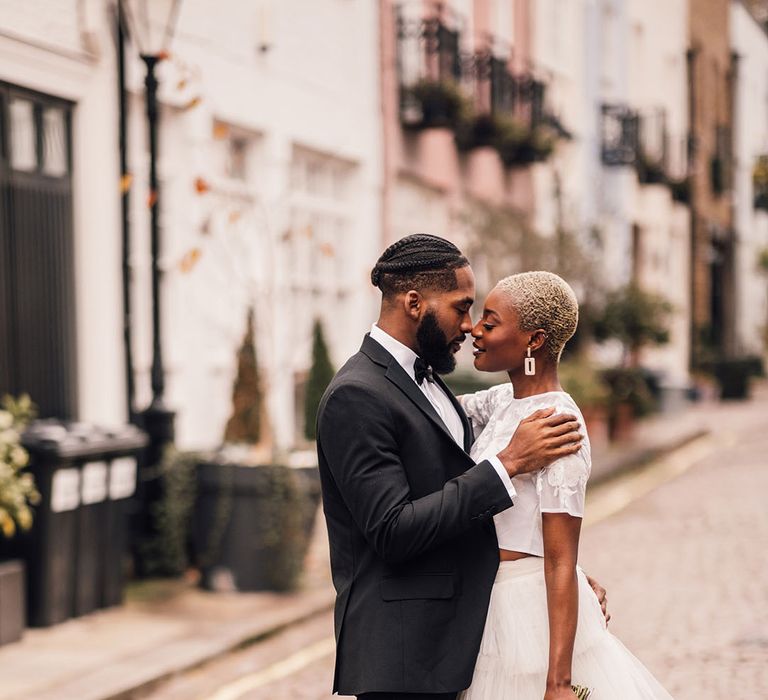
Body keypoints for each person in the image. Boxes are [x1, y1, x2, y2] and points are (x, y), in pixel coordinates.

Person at [316, 235, 607, 700]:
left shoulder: (432, 384)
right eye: (462, 308)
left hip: (461, 644)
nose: (469, 326)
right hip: (405, 659)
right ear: (415, 304)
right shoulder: (358, 395)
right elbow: (393, 530)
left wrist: (551, 570)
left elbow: (467, 504)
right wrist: (508, 462)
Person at [459, 271, 673, 700]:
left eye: (490, 321)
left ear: (534, 341)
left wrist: (558, 683)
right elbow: (428, 408)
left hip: (525, 618)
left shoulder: (559, 425)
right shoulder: (501, 401)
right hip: (483, 601)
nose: (474, 331)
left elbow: (558, 559)